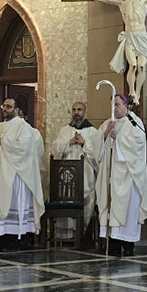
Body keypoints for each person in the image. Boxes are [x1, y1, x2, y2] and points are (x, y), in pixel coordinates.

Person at [0, 97, 45, 251]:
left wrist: (1, 141)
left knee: (11, 205)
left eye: (8, 107)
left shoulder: (23, 127)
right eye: (4, 106)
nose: (4, 109)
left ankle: (14, 240)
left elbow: (24, 148)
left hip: (14, 177)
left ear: (16, 110)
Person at [96, 94, 147, 256]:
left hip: (128, 175)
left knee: (128, 210)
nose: (114, 109)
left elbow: (138, 144)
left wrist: (117, 139)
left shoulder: (134, 122)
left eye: (117, 105)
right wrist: (105, 135)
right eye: (112, 105)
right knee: (111, 209)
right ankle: (113, 244)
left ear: (126, 106)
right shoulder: (107, 123)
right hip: (111, 175)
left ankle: (128, 245)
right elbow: (95, 147)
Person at [50, 101, 100, 241]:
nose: (76, 112)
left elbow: (98, 154)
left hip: (86, 175)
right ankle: (67, 236)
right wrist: (69, 143)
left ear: (85, 112)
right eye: (74, 110)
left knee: (86, 197)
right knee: (65, 197)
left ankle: (83, 234)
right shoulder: (65, 130)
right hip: (66, 176)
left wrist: (85, 143)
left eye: (79, 110)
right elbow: (56, 149)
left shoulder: (93, 131)